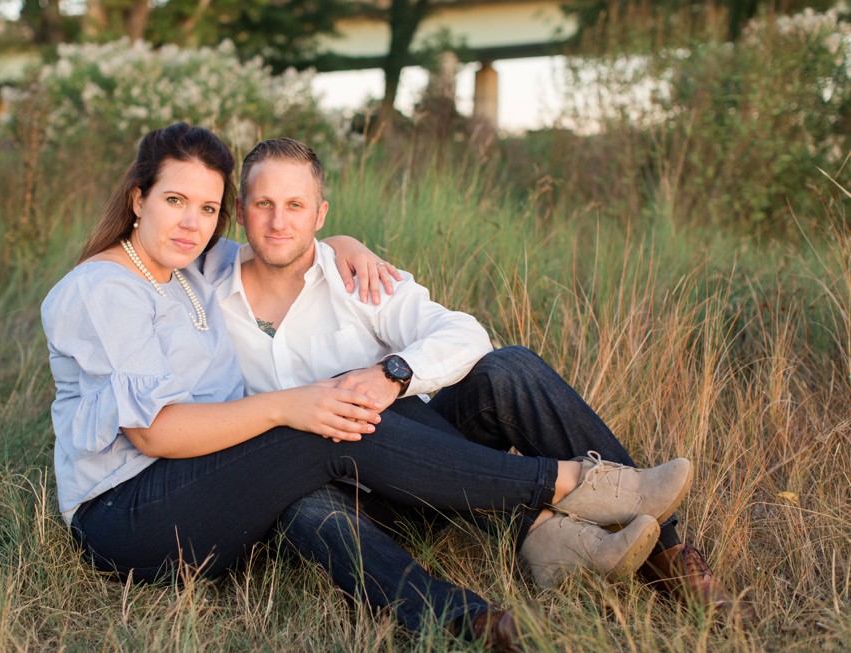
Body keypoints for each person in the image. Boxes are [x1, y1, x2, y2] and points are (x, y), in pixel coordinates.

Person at [41, 123, 695, 652]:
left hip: (233, 475)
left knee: (413, 390)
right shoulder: (124, 284)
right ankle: (570, 490)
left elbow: (453, 329)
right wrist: (291, 405)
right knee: (318, 425)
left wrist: (347, 263)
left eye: (205, 207)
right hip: (134, 511)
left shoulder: (192, 265)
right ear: (138, 198)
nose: (191, 220)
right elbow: (150, 430)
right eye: (174, 200)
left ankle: (591, 562)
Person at [201, 137, 757, 632]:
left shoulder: (356, 277)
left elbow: (462, 332)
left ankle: (667, 553)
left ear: (320, 213)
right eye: (263, 204)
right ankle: (486, 602)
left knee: (506, 367)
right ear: (240, 214)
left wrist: (392, 375)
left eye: (295, 205)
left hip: (431, 464)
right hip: (342, 507)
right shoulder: (203, 286)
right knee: (301, 504)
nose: (279, 221)